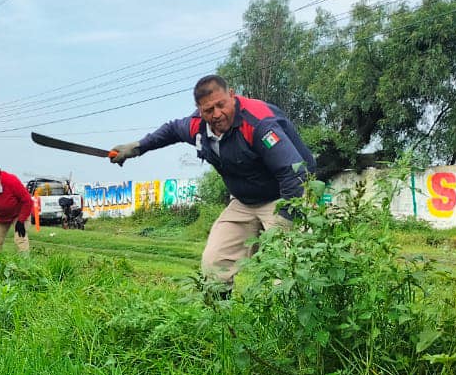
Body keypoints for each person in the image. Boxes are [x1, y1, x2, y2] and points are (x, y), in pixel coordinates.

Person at [109, 74, 315, 289]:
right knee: (214, 264)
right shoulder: (197, 127)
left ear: (232, 95)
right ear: (199, 110)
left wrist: (286, 220)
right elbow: (170, 131)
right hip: (245, 201)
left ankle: (295, 317)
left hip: (286, 196)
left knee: (291, 270)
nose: (217, 114)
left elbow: (295, 172)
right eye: (209, 110)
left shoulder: (258, 123)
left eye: (221, 105)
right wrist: (136, 148)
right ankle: (221, 318)